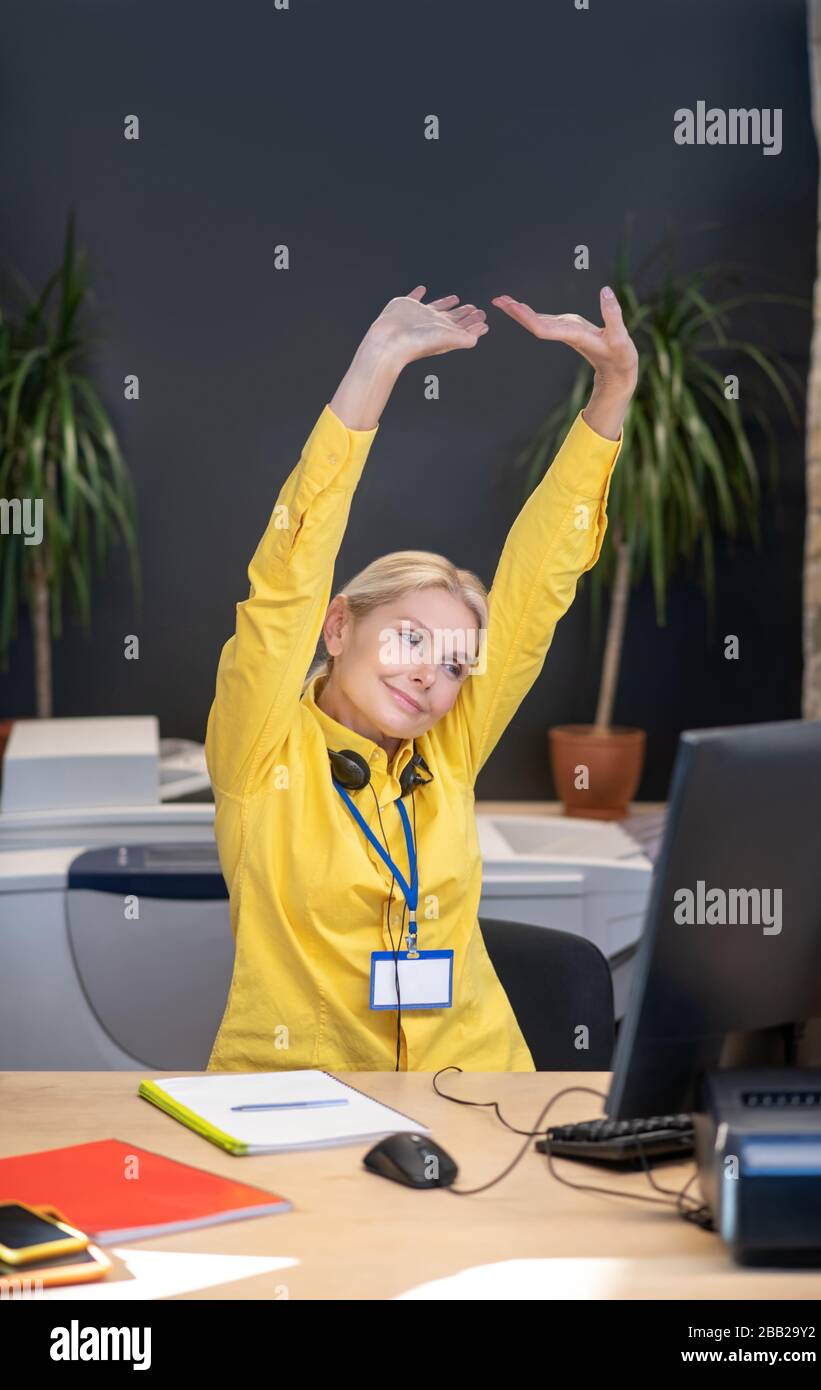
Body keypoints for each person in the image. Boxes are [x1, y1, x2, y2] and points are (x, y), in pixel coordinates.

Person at [205, 283, 638, 1072]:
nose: (429, 677)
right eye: (409, 638)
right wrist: (376, 364)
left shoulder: (450, 748)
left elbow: (539, 587)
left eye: (452, 663)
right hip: (303, 1105)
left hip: (479, 1096)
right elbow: (288, 574)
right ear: (339, 627)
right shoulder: (260, 748)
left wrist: (612, 390)